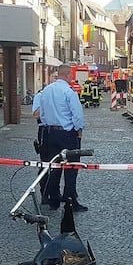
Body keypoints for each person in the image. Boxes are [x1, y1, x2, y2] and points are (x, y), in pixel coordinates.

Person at [38, 64, 88, 211]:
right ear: (67, 75)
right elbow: (77, 114)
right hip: (67, 134)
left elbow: (43, 115)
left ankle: (53, 199)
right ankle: (70, 200)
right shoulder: (69, 92)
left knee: (54, 166)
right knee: (71, 168)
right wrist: (79, 130)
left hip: (50, 133)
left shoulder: (46, 91)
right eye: (70, 75)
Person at [32, 71, 58, 204]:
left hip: (59, 131)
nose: (56, 80)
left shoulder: (62, 94)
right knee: (45, 163)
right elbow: (36, 114)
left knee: (59, 164)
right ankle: (44, 193)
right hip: (44, 131)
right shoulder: (41, 95)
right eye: (54, 77)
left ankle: (56, 193)